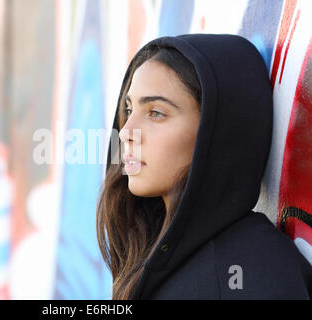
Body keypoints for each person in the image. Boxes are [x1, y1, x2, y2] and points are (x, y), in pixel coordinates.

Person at [96, 34, 312, 300]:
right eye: (129, 111)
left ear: (217, 130)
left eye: (156, 113)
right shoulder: (158, 256)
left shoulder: (252, 266)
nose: (127, 132)